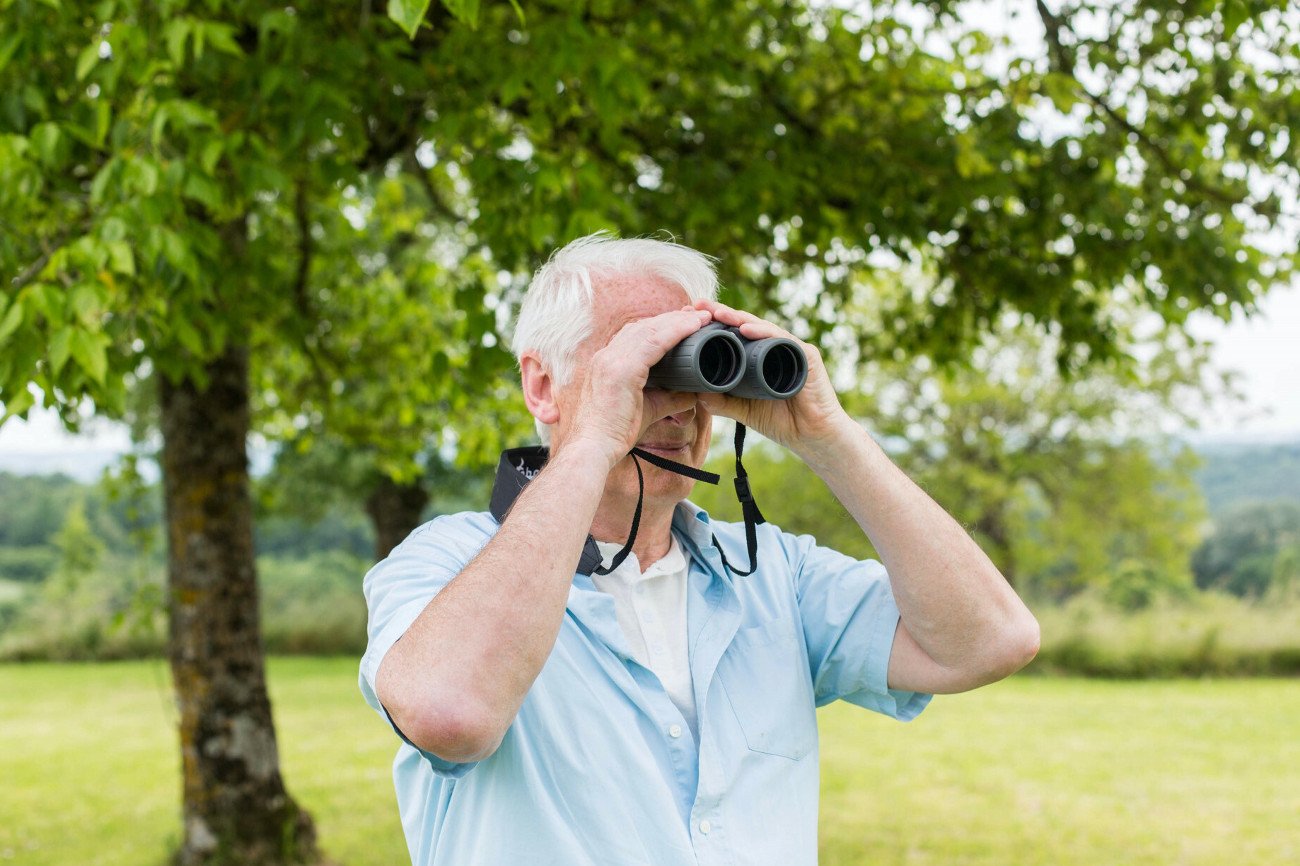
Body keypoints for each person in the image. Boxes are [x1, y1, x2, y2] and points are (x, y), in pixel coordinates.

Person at [359, 232, 1040, 866]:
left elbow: (990, 640)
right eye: (643, 364)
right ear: (542, 386)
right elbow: (450, 717)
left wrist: (826, 433)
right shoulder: (444, 563)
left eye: (696, 366)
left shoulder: (772, 575)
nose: (679, 403)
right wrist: (597, 436)